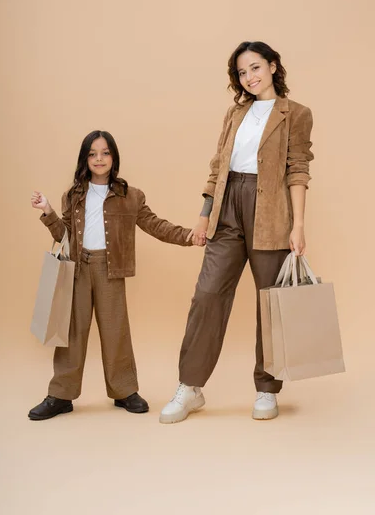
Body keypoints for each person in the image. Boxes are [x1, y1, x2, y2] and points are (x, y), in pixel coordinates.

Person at [160, 41, 314, 423]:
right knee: (207, 295)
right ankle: (190, 387)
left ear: (274, 66)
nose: (250, 77)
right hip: (227, 208)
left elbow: (297, 169)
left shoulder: (296, 113)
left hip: (271, 213)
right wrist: (203, 215)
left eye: (256, 68)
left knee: (270, 303)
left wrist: (297, 224)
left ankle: (267, 388)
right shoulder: (234, 113)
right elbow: (218, 168)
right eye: (242, 73)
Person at [29, 130, 193, 420]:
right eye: (92, 154)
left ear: (114, 157)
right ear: (85, 159)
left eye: (104, 152)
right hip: (78, 268)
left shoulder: (130, 196)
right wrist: (48, 211)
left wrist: (189, 236)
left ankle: (124, 391)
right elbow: (64, 235)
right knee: (72, 333)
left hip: (110, 269)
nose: (99, 158)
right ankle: (61, 395)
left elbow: (155, 225)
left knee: (116, 330)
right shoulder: (74, 195)